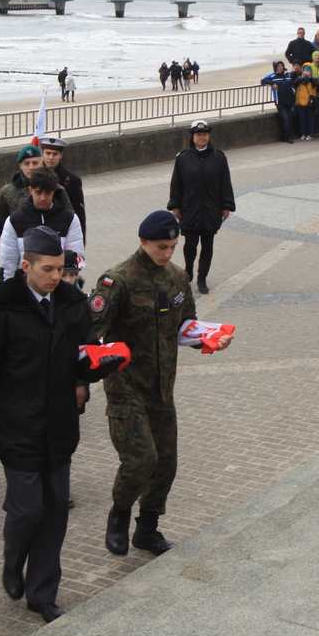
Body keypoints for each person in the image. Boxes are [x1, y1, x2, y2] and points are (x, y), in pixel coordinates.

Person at [0, 226, 118, 623]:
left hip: (59, 425)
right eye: (48, 269)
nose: (57, 277)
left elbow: (84, 355)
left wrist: (98, 368)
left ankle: (42, 593)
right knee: (26, 509)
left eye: (62, 269)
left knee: (55, 510)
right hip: (16, 426)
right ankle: (13, 562)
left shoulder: (72, 304)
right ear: (25, 266)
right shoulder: (2, 308)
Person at [90, 210, 235, 557]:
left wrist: (208, 339)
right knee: (141, 459)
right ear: (143, 241)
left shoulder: (177, 277)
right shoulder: (117, 280)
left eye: (173, 246)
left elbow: (186, 325)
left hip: (162, 388)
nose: (168, 253)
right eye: (161, 247)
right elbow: (91, 334)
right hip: (126, 386)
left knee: (166, 463)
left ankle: (147, 529)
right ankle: (119, 513)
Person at [0, 145, 73, 277]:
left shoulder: (57, 190)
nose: (31, 167)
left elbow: (70, 223)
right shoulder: (8, 192)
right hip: (21, 258)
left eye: (35, 163)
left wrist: (72, 262)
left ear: (42, 163)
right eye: (27, 163)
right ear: (20, 165)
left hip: (52, 258)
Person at [167, 120, 235, 295]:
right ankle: (188, 271)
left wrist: (226, 205)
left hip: (211, 208)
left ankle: (202, 278)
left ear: (209, 136)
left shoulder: (219, 158)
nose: (202, 137)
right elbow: (176, 184)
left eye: (204, 134)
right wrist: (175, 205)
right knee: (190, 244)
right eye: (198, 135)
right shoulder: (183, 158)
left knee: (207, 244)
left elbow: (225, 183)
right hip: (190, 208)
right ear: (192, 137)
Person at [0, 167, 84, 282]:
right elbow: (8, 262)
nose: (43, 198)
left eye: (47, 193)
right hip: (26, 286)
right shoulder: (14, 220)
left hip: (59, 284)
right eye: (38, 192)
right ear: (30, 190)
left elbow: (75, 257)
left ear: (54, 191)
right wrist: (8, 288)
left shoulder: (70, 219)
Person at [40, 136, 86, 239]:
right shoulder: (34, 177)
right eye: (48, 153)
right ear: (42, 153)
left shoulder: (73, 181)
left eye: (55, 154)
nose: (51, 157)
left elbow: (79, 214)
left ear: (61, 155)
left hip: (62, 232)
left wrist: (80, 241)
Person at [261, 61, 297, 143]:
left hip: (289, 101)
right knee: (285, 119)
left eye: (281, 66)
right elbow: (263, 80)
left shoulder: (288, 75)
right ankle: (289, 137)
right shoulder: (273, 76)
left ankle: (284, 136)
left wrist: (293, 91)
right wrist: (272, 83)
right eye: (278, 66)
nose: (280, 68)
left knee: (289, 119)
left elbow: (292, 84)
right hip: (280, 102)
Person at [294, 63, 318, 141]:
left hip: (310, 102)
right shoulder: (300, 79)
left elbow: (315, 85)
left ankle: (309, 134)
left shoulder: (313, 79)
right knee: (302, 119)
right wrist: (301, 77)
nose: (307, 71)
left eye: (308, 70)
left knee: (310, 119)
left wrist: (310, 77)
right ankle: (303, 133)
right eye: (305, 70)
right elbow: (294, 83)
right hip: (301, 102)